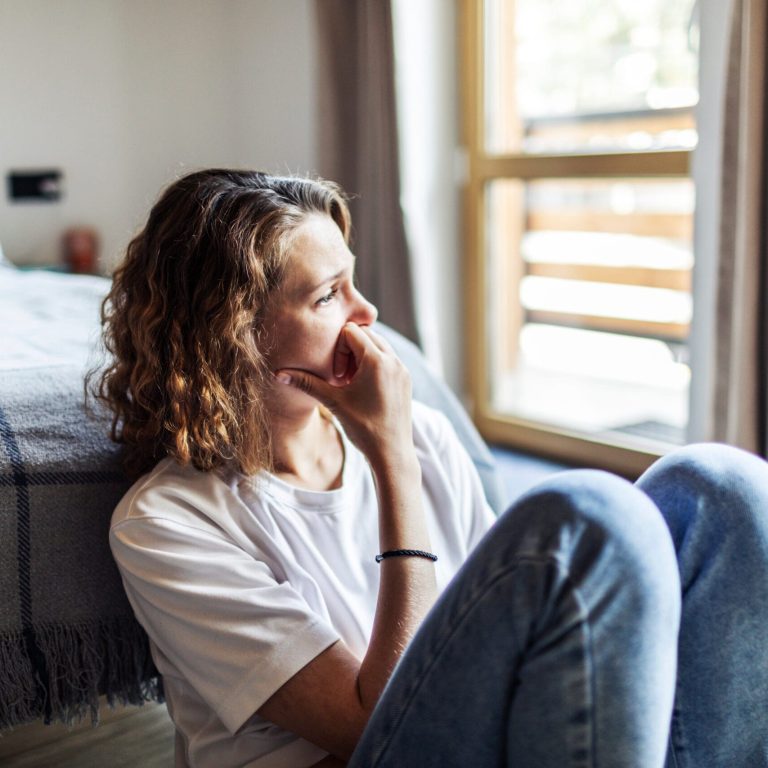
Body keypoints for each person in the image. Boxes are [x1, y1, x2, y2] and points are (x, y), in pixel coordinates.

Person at [95, 169, 768, 768]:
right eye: (329, 295)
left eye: (353, 281)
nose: (368, 314)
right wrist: (392, 462)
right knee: (591, 516)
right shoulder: (167, 522)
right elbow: (370, 725)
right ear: (233, 332)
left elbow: (505, 629)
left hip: (485, 727)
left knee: (719, 487)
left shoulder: (425, 430)